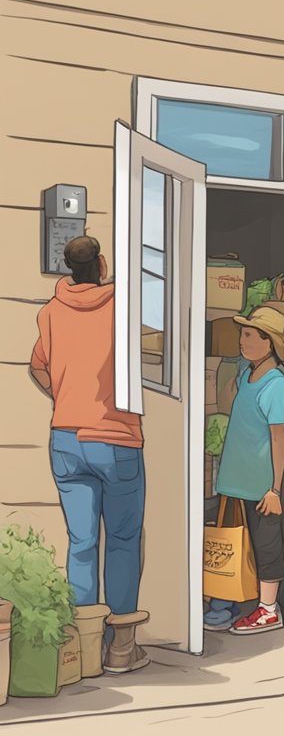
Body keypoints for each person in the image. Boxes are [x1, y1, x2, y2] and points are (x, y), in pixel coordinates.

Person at [29, 235, 151, 674]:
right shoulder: (124, 306)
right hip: (115, 437)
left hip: (65, 437)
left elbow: (38, 365)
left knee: (81, 543)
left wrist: (63, 396)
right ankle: (121, 648)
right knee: (121, 541)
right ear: (101, 264)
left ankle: (80, 652)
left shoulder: (50, 311)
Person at [216, 306, 284, 635]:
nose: (242, 341)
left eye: (249, 335)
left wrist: (274, 489)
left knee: (266, 545)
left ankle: (268, 609)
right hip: (236, 479)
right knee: (233, 543)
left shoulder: (275, 383)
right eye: (242, 334)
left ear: (269, 342)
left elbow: (278, 437)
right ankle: (231, 601)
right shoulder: (246, 376)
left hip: (261, 484)